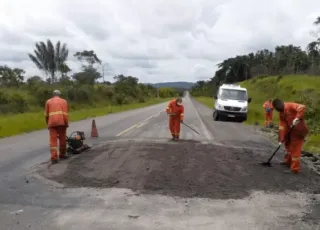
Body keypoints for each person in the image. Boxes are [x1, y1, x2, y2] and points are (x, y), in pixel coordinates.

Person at [272, 99, 309, 174]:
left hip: (299, 131)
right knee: (287, 145)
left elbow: (301, 107)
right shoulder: (281, 113)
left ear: (281, 105)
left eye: (277, 109)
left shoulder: (290, 105)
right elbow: (282, 126)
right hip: (291, 131)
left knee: (295, 149)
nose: (277, 111)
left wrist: (297, 118)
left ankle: (295, 169)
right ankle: (287, 162)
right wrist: (281, 139)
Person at [44, 90, 69, 164]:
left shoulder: (48, 102)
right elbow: (65, 114)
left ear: (53, 94)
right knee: (62, 138)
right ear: (59, 95)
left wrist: (48, 123)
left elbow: (46, 115)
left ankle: (54, 158)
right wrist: (66, 123)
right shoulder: (64, 101)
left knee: (53, 140)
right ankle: (62, 154)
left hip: (51, 123)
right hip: (61, 122)